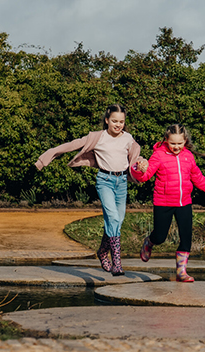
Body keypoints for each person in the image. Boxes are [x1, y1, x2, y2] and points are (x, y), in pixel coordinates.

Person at [35, 104, 145, 276]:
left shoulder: (128, 138)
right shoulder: (97, 137)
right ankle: (117, 262)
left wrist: (141, 163)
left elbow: (135, 157)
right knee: (114, 218)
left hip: (121, 182)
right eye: (114, 121)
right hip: (105, 182)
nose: (118, 124)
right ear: (107, 120)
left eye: (121, 122)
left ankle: (102, 252)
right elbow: (71, 145)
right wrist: (47, 156)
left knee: (117, 221)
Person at [130, 125, 205, 282]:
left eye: (179, 143)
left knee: (186, 237)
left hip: (184, 203)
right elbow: (145, 176)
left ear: (185, 141)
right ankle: (149, 241)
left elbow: (198, 179)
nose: (176, 147)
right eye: (173, 143)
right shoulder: (158, 155)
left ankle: (182, 272)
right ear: (166, 140)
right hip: (163, 202)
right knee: (160, 237)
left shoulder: (188, 156)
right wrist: (138, 169)